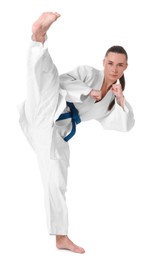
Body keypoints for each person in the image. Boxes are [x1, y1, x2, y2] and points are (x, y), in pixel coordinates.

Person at [18, 12, 135, 254]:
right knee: (47, 78)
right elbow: (60, 83)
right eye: (111, 63)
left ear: (126, 67)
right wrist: (86, 92)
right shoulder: (87, 73)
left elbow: (125, 125)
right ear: (103, 61)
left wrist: (121, 99)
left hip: (54, 133)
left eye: (120, 65)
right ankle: (38, 38)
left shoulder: (113, 99)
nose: (114, 69)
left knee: (56, 183)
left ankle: (61, 237)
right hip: (46, 107)